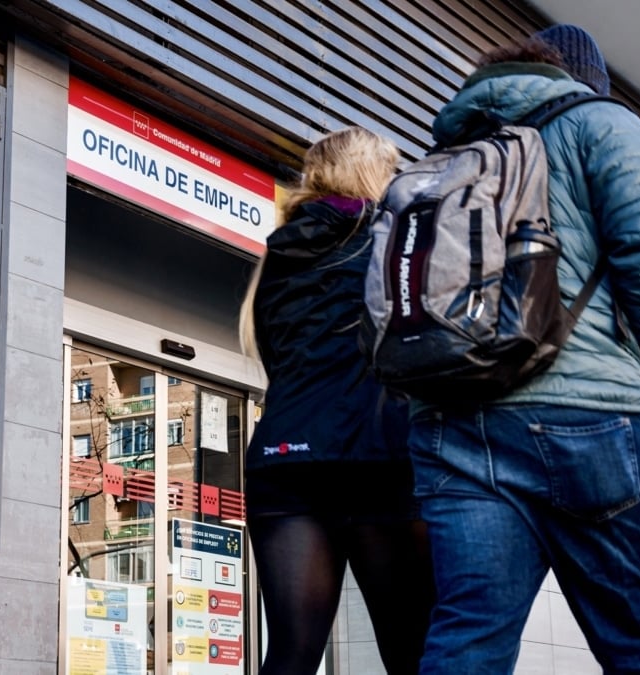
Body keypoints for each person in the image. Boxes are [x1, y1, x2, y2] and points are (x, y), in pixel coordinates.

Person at [409, 24, 640, 674]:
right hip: (588, 416)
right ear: (583, 79)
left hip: (452, 420)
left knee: (468, 642)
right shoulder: (601, 122)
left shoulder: (447, 153)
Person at [239, 127, 434, 675]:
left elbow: (282, 363)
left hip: (285, 462)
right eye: (390, 170)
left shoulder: (279, 255)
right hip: (377, 461)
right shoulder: (393, 241)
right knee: (411, 653)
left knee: (292, 652)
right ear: (372, 174)